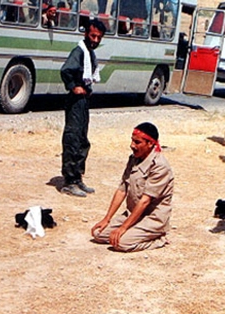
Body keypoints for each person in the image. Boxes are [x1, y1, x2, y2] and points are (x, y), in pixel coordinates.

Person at [91, 122, 173, 252]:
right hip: (133, 214)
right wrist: (107, 219)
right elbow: (122, 190)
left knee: (120, 243)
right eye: (132, 141)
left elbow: (145, 201)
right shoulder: (134, 159)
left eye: (137, 142)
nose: (132, 145)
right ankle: (133, 230)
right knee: (98, 233)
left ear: (150, 144)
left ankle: (159, 239)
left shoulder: (159, 166)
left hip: (152, 218)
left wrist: (123, 228)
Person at [60, 19, 106, 198]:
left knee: (82, 139)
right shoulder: (79, 52)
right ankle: (69, 181)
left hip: (84, 100)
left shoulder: (90, 53)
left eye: (99, 37)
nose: (95, 40)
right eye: (93, 36)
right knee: (72, 138)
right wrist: (73, 86)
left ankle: (77, 176)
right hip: (76, 101)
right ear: (86, 33)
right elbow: (66, 71)